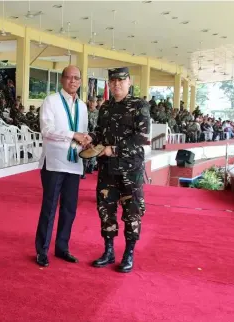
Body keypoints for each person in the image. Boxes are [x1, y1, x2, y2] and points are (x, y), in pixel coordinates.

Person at [88, 67, 150, 273]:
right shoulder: (105, 108)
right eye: (113, 81)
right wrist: (91, 140)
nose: (116, 84)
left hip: (130, 171)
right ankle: (108, 251)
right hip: (107, 170)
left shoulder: (139, 105)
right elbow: (100, 132)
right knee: (106, 210)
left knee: (132, 212)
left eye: (121, 81)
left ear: (129, 82)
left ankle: (128, 253)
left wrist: (112, 149)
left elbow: (141, 137)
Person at [34, 65, 91, 267]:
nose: (73, 81)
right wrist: (71, 134)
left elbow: (82, 132)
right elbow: (46, 129)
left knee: (69, 209)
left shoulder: (83, 106)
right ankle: (42, 250)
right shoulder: (51, 101)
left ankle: (62, 247)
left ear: (81, 81)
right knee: (49, 208)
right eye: (69, 78)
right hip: (55, 162)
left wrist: (86, 138)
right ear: (62, 80)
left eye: (77, 78)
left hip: (74, 163)